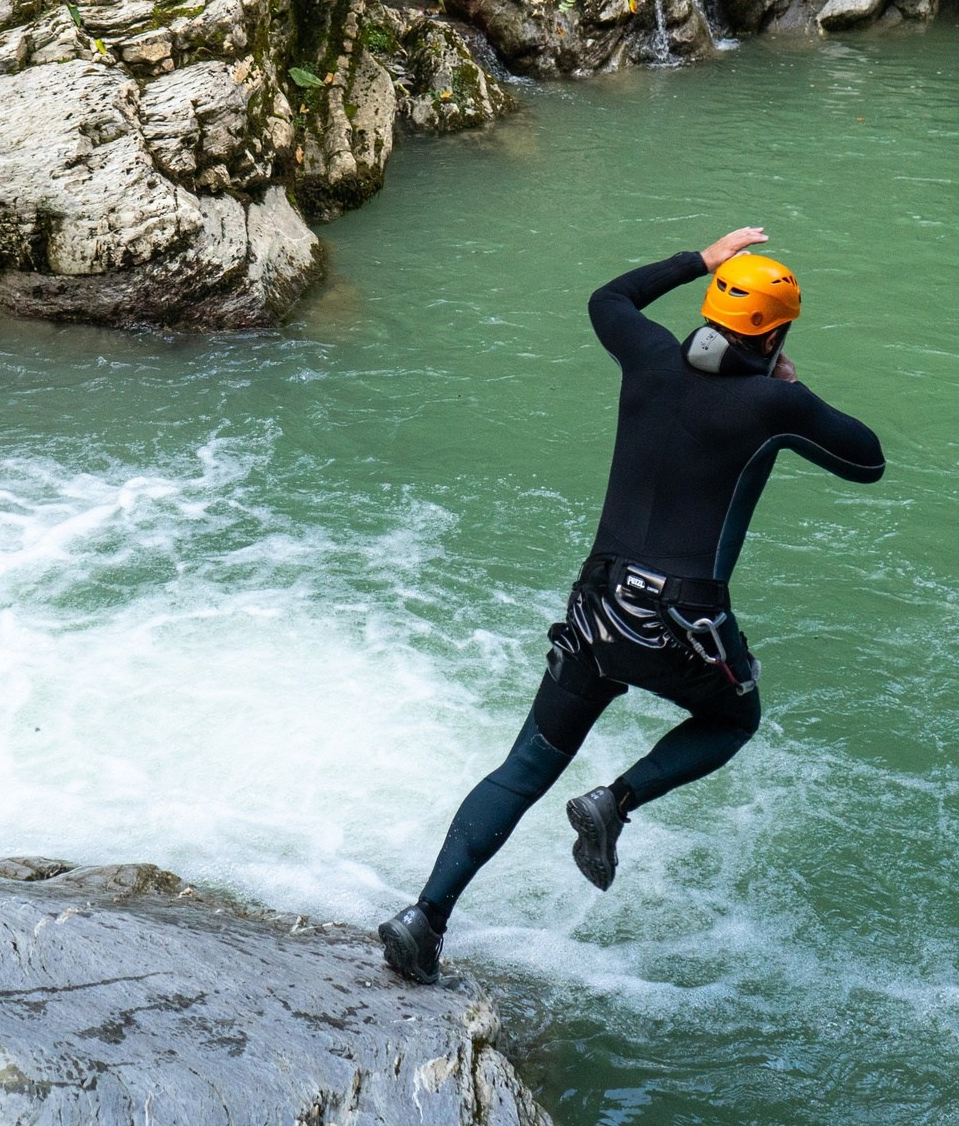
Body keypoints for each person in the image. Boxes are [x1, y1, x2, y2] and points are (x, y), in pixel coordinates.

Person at [379, 228, 887, 984]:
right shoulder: (774, 405)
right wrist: (791, 391)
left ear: (714, 308)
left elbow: (607, 297)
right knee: (733, 717)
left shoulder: (647, 356)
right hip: (681, 625)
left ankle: (424, 919)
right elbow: (868, 459)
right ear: (774, 332)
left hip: (597, 609)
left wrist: (697, 260)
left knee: (522, 768)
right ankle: (615, 801)